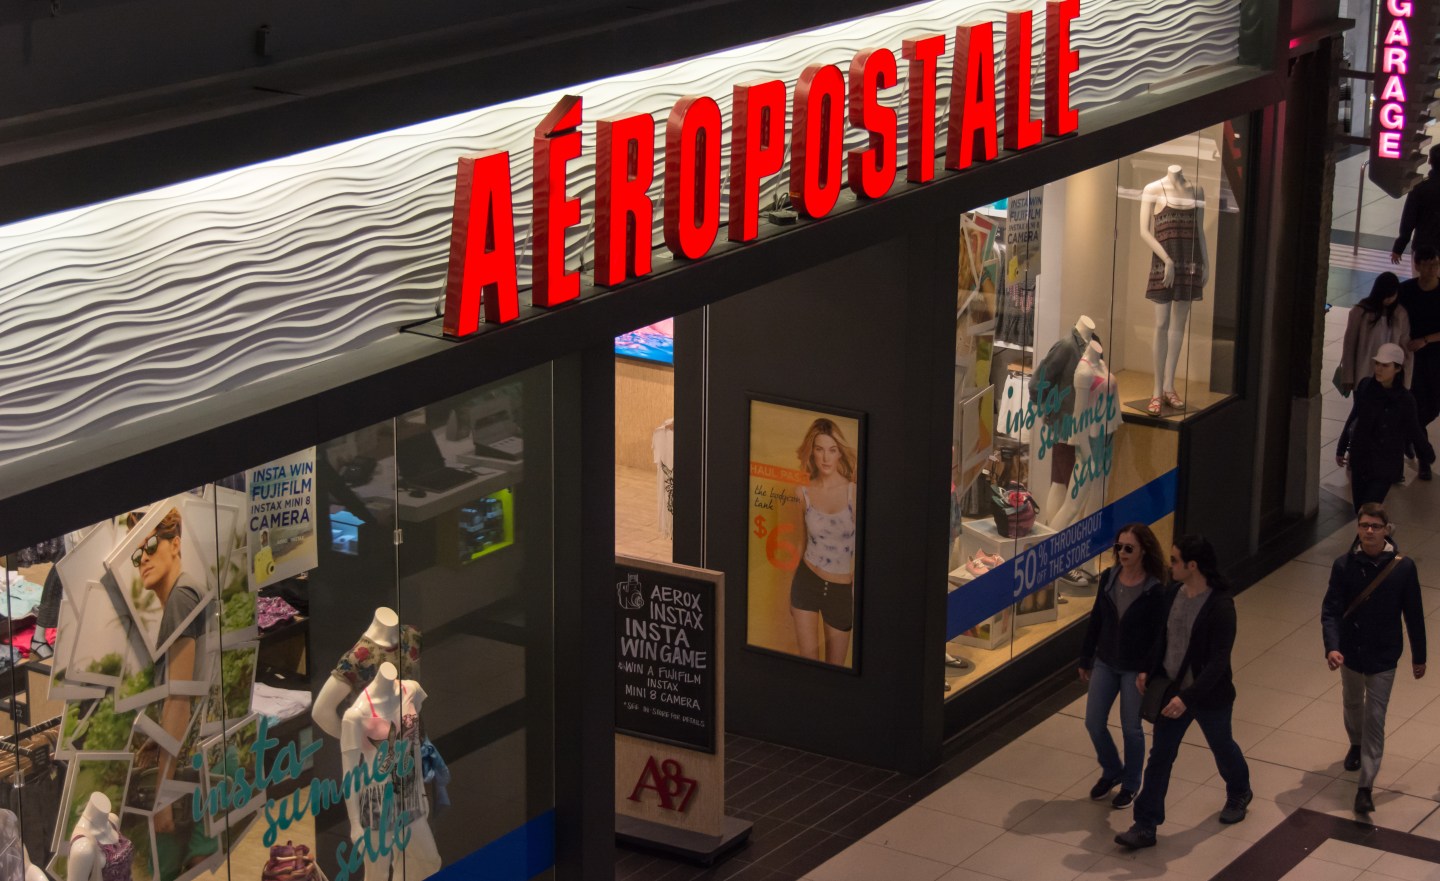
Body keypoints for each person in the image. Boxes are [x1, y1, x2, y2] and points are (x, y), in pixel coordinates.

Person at [1116, 535, 1251, 850]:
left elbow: (1218, 664)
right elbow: (1162, 638)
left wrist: (1186, 698)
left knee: (1221, 745)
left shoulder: (1220, 607)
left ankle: (1239, 791)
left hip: (1208, 695)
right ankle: (1145, 825)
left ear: (1193, 565)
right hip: (1172, 689)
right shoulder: (1174, 592)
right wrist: (1149, 669)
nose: (1169, 565)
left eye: (1175, 560)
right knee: (1161, 756)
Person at [1321, 503, 1426, 814]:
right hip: (1350, 651)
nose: (1369, 531)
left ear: (1386, 530)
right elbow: (1330, 611)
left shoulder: (1402, 568)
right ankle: (1355, 742)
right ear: (1357, 528)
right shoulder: (1343, 566)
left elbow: (1414, 614)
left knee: (1375, 717)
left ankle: (1365, 786)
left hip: (1384, 654)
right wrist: (1332, 646)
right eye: (1364, 525)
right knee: (1353, 703)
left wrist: (1419, 656)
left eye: (1375, 526)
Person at [1078, 523, 1168, 809]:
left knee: (1131, 728)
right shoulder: (1108, 578)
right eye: (1119, 547)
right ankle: (1112, 769)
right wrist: (1086, 657)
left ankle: (1131, 783)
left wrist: (1147, 669)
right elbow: (1096, 620)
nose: (1123, 553)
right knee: (1093, 722)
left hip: (1134, 668)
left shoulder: (1155, 589)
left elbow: (1158, 635)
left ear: (1143, 551)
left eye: (1129, 548)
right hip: (1105, 661)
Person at [787, 418, 858, 666]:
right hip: (806, 582)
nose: (826, 458)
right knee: (808, 666)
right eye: (819, 449)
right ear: (812, 453)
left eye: (832, 449)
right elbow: (800, 544)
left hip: (841, 590)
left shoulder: (854, 493)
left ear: (840, 453)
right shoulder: (802, 493)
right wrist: (790, 591)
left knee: (835, 670)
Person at [1337, 343, 1436, 510]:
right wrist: (1342, 448)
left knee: (1369, 509)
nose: (1379, 369)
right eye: (1377, 364)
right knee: (1360, 511)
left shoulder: (1405, 400)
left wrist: (1427, 454)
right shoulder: (1366, 387)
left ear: (1397, 369)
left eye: (1385, 365)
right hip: (1361, 459)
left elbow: (1414, 430)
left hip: (1384, 464)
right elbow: (1354, 417)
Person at [1399, 246, 1440, 472]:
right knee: (1415, 401)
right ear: (1417, 266)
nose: (1433, 268)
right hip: (1411, 357)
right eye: (1428, 264)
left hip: (1434, 354)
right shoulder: (1406, 290)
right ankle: (1424, 457)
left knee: (1433, 406)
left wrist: (1425, 339)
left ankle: (1410, 434)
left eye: (1436, 264)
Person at [1339, 272, 1412, 394]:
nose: (1389, 299)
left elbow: (1406, 348)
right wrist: (1348, 376)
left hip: (1390, 377)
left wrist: (1406, 381)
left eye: (1392, 295)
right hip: (1363, 373)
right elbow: (1349, 346)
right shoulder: (1360, 312)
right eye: (1385, 295)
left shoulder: (1400, 314)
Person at [1391, 145, 1440, 266]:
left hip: (1424, 248)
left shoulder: (1420, 188)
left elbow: (1409, 220)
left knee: (1423, 283)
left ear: (1430, 161)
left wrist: (1399, 247)